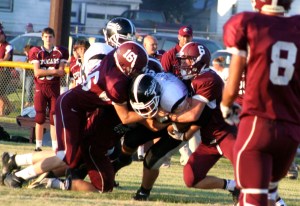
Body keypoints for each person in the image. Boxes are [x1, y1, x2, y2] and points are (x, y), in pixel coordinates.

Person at [3, 41, 148, 192]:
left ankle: (15, 160)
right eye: (137, 70)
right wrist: (150, 112)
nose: (138, 73)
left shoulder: (114, 57)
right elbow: (125, 117)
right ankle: (19, 176)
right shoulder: (115, 83)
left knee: (70, 154)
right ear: (125, 67)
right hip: (71, 108)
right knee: (65, 156)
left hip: (80, 108)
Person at [220, 1, 300, 205]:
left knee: (251, 197)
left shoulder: (249, 23)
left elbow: (234, 81)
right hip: (290, 130)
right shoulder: (296, 26)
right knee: (270, 194)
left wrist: (226, 105)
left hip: (259, 124)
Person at [161, 25, 200, 165]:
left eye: (188, 36)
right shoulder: (170, 55)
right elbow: (162, 77)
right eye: (183, 36)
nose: (185, 38)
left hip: (191, 97)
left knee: (194, 126)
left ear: (192, 37)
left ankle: (193, 159)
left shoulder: (195, 53)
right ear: (178, 37)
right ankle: (166, 158)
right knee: (174, 127)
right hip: (173, 99)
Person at [28, 27, 69, 151]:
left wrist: (48, 70)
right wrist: (54, 70)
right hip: (41, 87)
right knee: (40, 116)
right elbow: (37, 72)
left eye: (50, 36)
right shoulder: (37, 51)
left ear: (54, 38)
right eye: (45, 36)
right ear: (42, 37)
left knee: (54, 117)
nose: (48, 39)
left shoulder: (60, 51)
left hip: (53, 87)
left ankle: (55, 146)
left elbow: (61, 72)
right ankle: (38, 146)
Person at [0, 29, 14, 116]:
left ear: (3, 35)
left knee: (1, 92)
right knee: (1, 93)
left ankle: (9, 106)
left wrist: (2, 60)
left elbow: (6, 58)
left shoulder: (8, 46)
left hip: (5, 72)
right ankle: (3, 111)